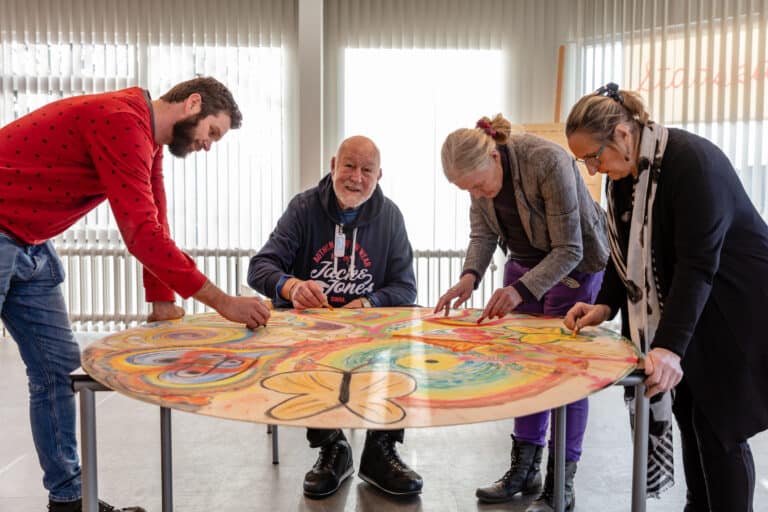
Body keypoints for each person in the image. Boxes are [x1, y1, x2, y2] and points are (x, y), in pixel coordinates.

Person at [0, 77, 271, 512]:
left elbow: (155, 219)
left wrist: (162, 300)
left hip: (30, 241)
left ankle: (69, 502)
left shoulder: (150, 140)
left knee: (56, 371)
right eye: (212, 133)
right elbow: (140, 235)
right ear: (193, 104)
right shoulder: (122, 122)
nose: (208, 146)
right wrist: (225, 303)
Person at [564, 83, 768, 512]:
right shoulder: (624, 177)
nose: (593, 169)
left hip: (735, 307)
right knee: (689, 416)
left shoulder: (693, 163)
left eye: (593, 157)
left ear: (622, 134)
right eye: (584, 161)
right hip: (687, 308)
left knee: (719, 429)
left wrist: (670, 348)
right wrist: (604, 304)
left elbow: (698, 264)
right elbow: (626, 259)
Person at [435, 114, 609, 511]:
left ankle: (561, 479)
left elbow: (570, 249)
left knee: (564, 372)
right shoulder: (478, 181)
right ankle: (524, 469)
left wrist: (518, 290)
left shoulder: (548, 161)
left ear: (494, 156)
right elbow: (483, 233)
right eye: (469, 190)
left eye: (479, 185)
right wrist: (469, 276)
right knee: (524, 366)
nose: (478, 194)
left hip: (575, 267)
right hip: (525, 262)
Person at [247, 135, 421, 499]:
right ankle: (332, 450)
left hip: (368, 328)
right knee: (309, 350)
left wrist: (367, 303)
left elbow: (405, 289)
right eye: (349, 166)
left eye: (367, 170)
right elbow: (259, 267)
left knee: (405, 339)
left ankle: (381, 451)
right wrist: (292, 286)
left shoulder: (391, 217)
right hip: (310, 327)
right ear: (332, 166)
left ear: (379, 176)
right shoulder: (303, 208)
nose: (356, 177)